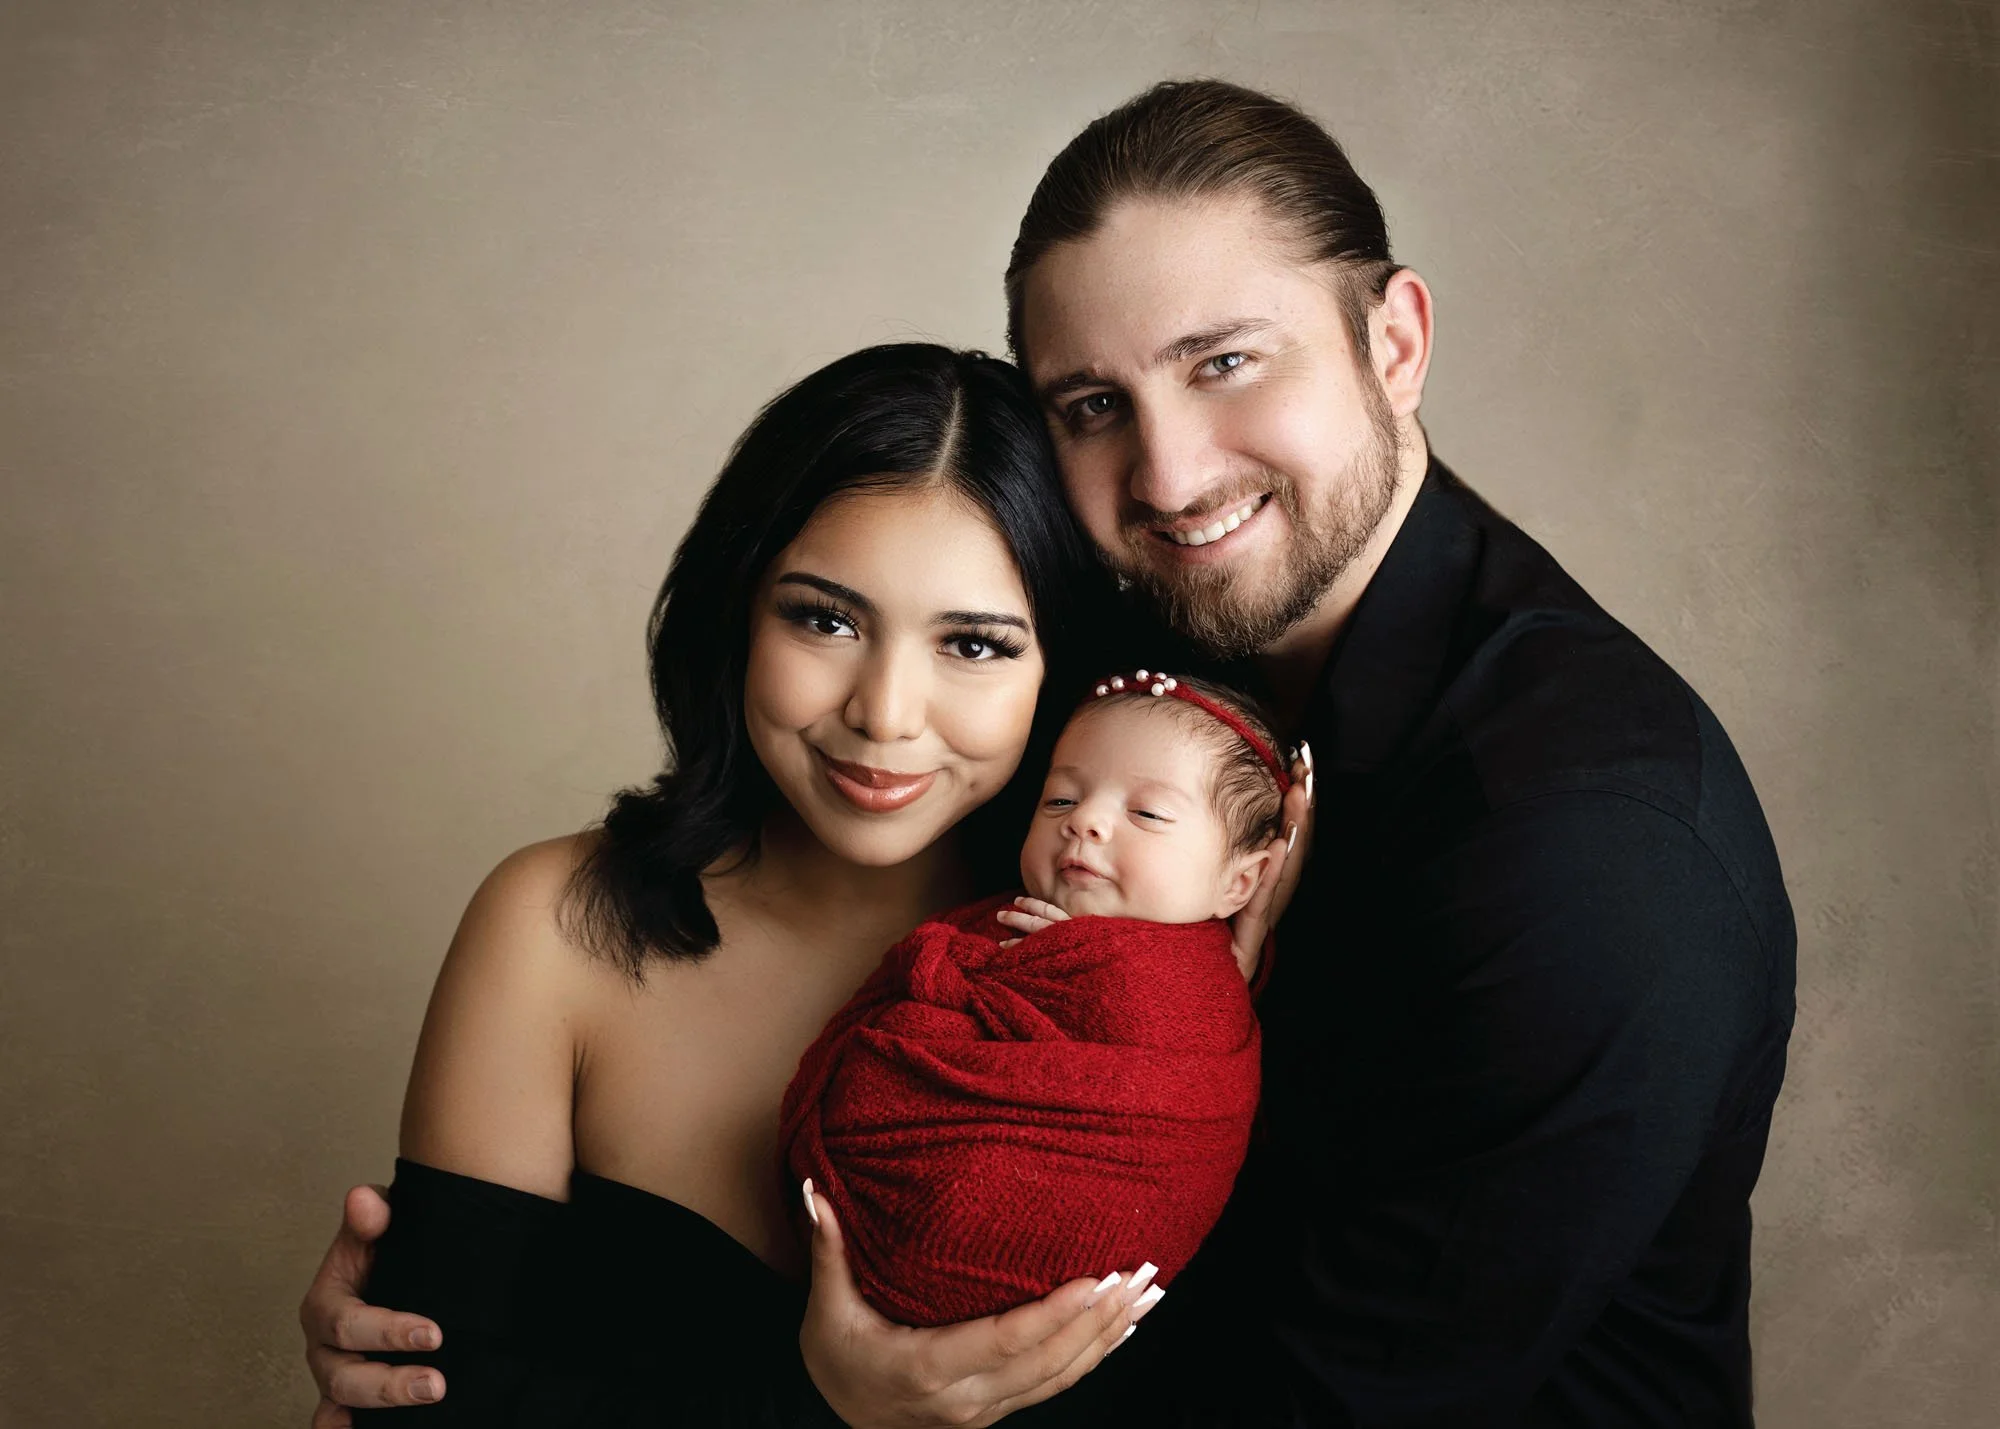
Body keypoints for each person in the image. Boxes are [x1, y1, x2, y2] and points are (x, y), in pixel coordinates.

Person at [306, 80, 1795, 1427]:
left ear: (1394, 340)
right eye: (1094, 405)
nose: (1168, 471)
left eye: (1226, 361)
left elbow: (1321, 1402)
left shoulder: (1584, 845)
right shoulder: (1124, 748)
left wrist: (830, 1404)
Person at [785, 672, 1290, 1328]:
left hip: (1047, 1220)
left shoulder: (1196, 985)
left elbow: (1171, 1077)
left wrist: (1095, 972)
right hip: (859, 1215)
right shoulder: (999, 915)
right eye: (1059, 800)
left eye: (1148, 813)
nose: (1085, 821)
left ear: (1239, 881)